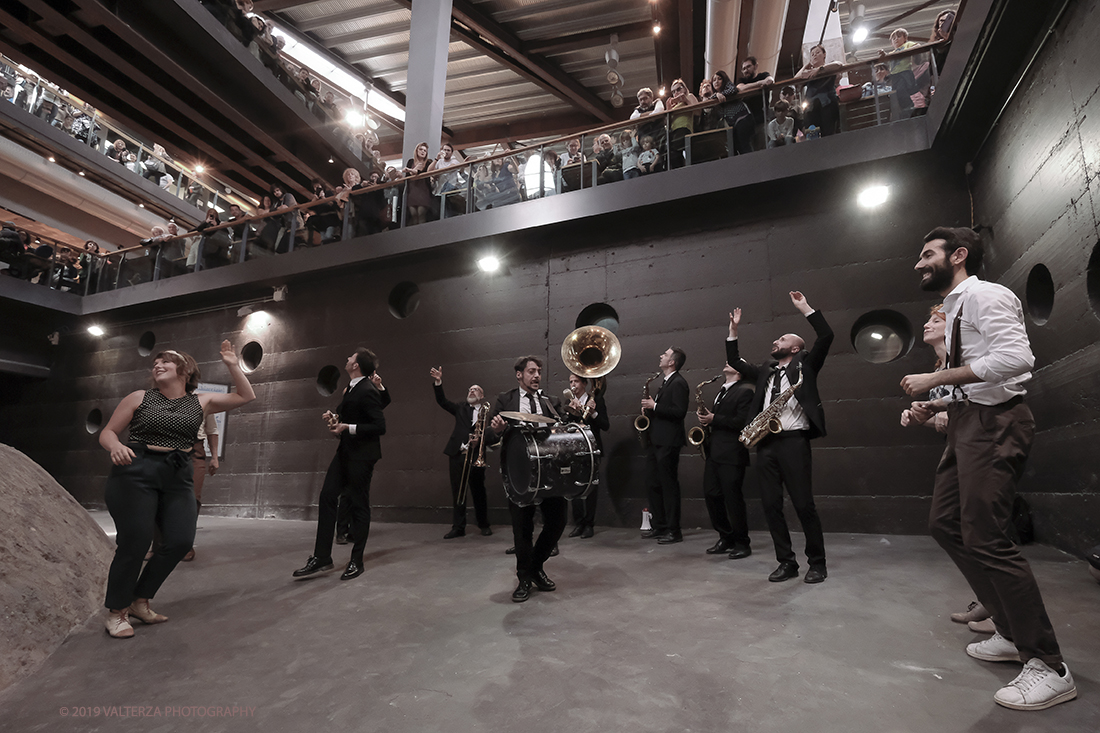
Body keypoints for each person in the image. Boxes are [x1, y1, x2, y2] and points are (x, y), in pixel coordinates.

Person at [901, 227, 1076, 711]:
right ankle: (1006, 626)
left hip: (996, 424)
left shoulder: (983, 295)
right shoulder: (955, 307)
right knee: (944, 524)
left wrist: (937, 377)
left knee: (988, 537)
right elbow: (975, 377)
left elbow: (1017, 359)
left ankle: (1048, 665)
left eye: (927, 253)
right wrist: (937, 403)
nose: (919, 263)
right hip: (966, 421)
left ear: (958, 256)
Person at [98, 341, 256, 638]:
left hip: (177, 470)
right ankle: (116, 611)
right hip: (136, 469)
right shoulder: (139, 397)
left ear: (184, 371)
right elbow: (107, 432)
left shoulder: (201, 402)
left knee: (181, 540)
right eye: (155, 363)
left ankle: (139, 600)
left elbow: (247, 395)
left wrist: (233, 364)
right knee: (136, 541)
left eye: (165, 362)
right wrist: (116, 446)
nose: (157, 366)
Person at [901, 304, 995, 634]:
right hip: (957, 443)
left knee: (979, 531)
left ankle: (1000, 612)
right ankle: (992, 603)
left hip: (981, 440)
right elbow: (944, 420)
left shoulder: (965, 358)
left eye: (934, 320)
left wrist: (943, 405)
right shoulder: (940, 366)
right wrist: (923, 413)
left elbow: (986, 392)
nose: (926, 325)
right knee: (943, 523)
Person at [727, 291, 833, 583]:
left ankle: (817, 563)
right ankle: (787, 562)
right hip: (766, 443)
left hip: (794, 441)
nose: (776, 342)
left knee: (803, 504)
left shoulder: (807, 365)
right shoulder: (765, 371)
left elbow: (825, 336)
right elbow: (735, 360)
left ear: (797, 348)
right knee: (771, 505)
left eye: (783, 340)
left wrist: (805, 308)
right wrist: (734, 330)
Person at [294, 348, 386, 582]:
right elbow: (352, 420)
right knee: (327, 496)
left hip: (362, 456)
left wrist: (348, 428)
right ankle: (322, 557)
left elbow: (379, 426)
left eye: (351, 358)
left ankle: (357, 561)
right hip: (345, 452)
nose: (347, 359)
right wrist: (336, 421)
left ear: (356, 366)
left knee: (359, 505)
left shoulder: (367, 389)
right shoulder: (353, 389)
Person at [487, 356, 566, 602]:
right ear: (519, 374)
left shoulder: (550, 402)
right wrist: (497, 430)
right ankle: (524, 577)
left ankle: (535, 566)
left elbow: (563, 431)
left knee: (558, 521)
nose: (536, 376)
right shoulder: (505, 400)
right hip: (519, 472)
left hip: (549, 472)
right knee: (522, 528)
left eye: (539, 371)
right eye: (531, 371)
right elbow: (489, 436)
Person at [697, 348, 754, 558]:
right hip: (715, 451)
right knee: (711, 494)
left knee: (733, 499)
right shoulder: (723, 390)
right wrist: (706, 418)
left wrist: (714, 419)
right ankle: (725, 536)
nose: (728, 363)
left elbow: (742, 422)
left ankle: (742, 543)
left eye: (734, 362)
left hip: (732, 453)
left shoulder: (745, 390)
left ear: (740, 371)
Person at [430, 366, 492, 540]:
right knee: (458, 491)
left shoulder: (487, 411)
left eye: (475, 389)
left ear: (482, 395)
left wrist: (479, 441)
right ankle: (458, 527)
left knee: (479, 491)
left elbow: (493, 433)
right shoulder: (460, 408)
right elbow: (442, 401)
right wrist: (438, 381)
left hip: (475, 455)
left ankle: (484, 524)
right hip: (458, 454)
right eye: (470, 389)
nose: (471, 391)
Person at [639, 347, 689, 544]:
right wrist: (649, 410)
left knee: (668, 486)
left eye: (665, 355)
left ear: (672, 362)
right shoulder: (665, 382)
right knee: (653, 483)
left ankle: (673, 530)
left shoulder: (679, 383)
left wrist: (655, 406)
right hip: (656, 440)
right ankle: (659, 525)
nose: (661, 356)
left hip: (669, 442)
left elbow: (679, 412)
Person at [565, 373, 609, 538]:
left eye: (576, 381)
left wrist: (593, 412)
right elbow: (565, 426)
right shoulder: (569, 402)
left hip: (592, 449)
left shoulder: (597, 401)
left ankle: (589, 524)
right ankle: (579, 523)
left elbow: (605, 425)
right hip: (575, 449)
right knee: (574, 486)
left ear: (584, 383)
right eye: (570, 382)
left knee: (591, 487)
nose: (573, 385)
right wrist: (572, 412)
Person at [182, 411, 220, 562]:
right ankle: (158, 544)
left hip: (194, 452)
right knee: (160, 496)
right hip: (167, 451)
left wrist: (215, 458)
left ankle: (185, 545)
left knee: (192, 499)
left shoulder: (203, 403)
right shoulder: (163, 400)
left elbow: (212, 431)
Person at [795, 44, 843, 137]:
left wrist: (819, 69)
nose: (815, 55)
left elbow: (838, 64)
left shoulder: (828, 68)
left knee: (828, 133)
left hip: (827, 105)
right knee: (812, 134)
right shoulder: (809, 73)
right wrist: (807, 65)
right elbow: (796, 79)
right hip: (811, 107)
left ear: (824, 55)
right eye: (812, 54)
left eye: (817, 53)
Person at [711, 70, 755, 154]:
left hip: (743, 119)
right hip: (734, 125)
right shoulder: (715, 97)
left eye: (719, 79)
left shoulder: (728, 86)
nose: (716, 82)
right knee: (736, 148)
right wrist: (717, 95)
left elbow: (734, 89)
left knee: (744, 146)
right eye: (714, 80)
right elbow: (709, 101)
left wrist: (721, 94)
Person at [665, 78, 698, 169]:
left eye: (678, 89)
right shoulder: (673, 105)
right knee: (673, 157)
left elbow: (698, 111)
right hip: (673, 132)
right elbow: (668, 124)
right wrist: (668, 110)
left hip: (684, 129)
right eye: (673, 91)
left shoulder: (689, 96)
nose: (676, 93)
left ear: (684, 88)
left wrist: (686, 101)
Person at [403, 141, 433, 225]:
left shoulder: (428, 162)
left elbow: (422, 172)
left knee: (421, 212)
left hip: (423, 189)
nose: (423, 151)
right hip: (412, 190)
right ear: (416, 151)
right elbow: (407, 176)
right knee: (413, 214)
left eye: (425, 150)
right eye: (421, 149)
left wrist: (410, 170)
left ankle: (421, 233)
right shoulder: (410, 161)